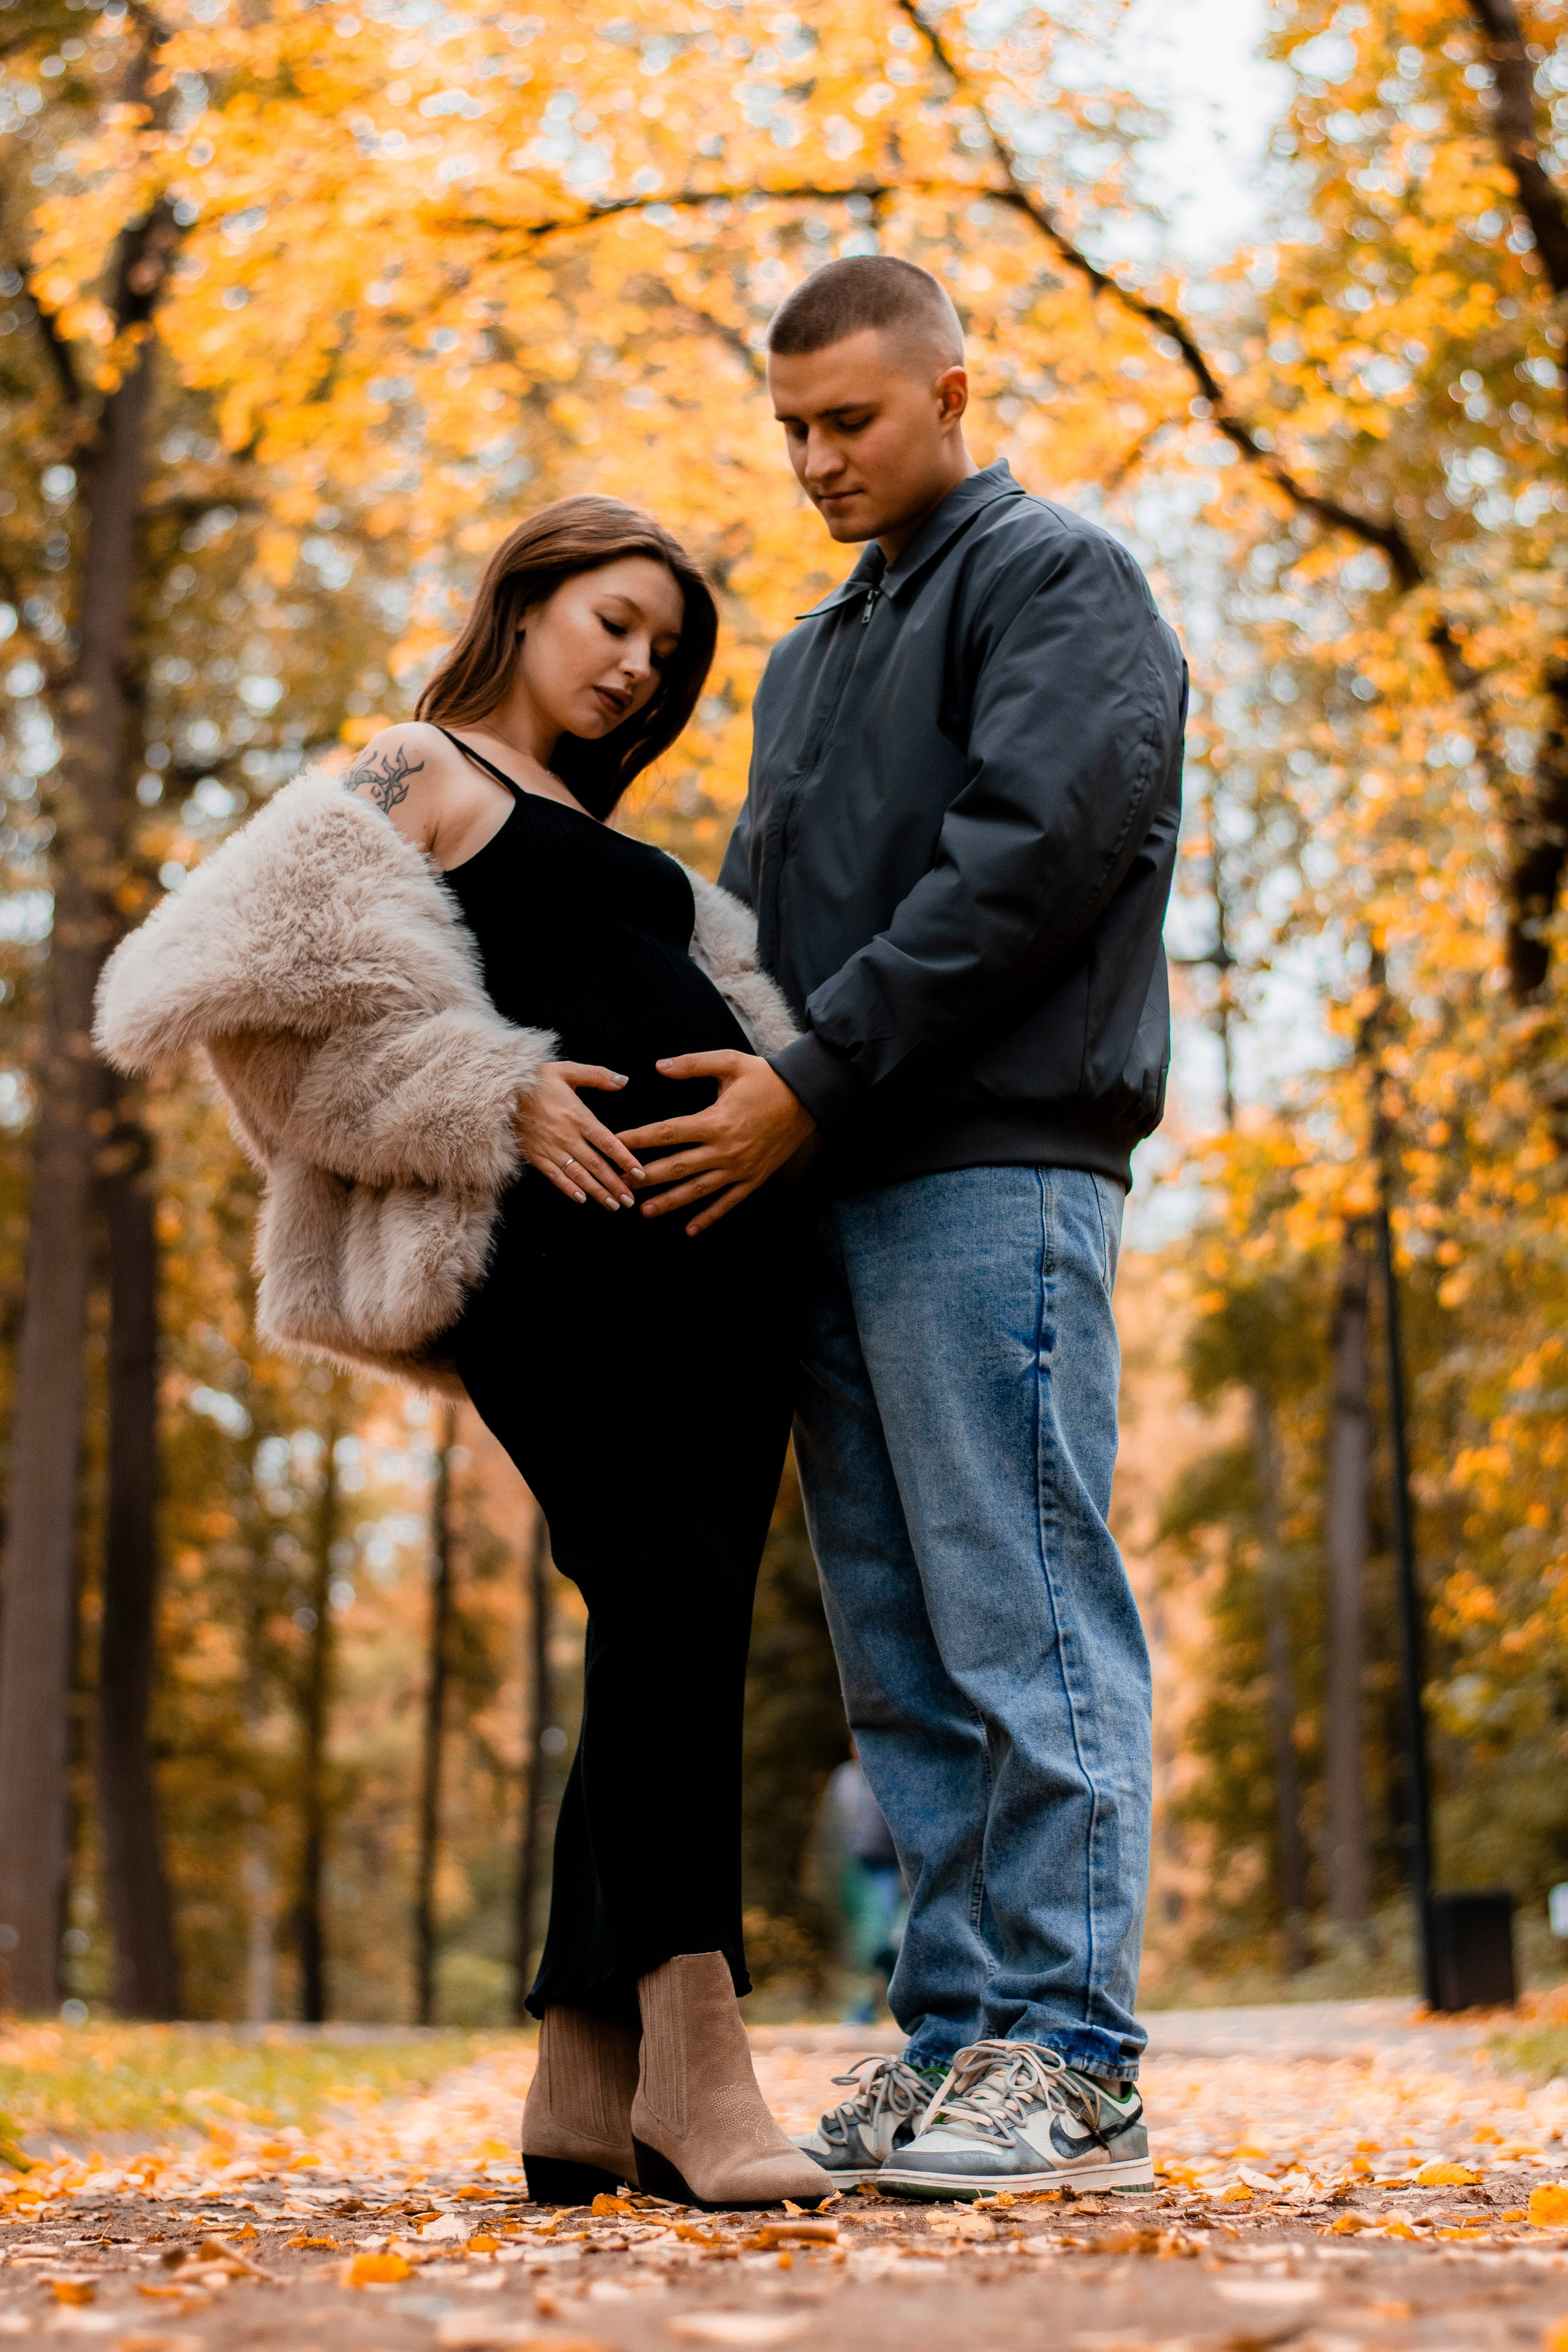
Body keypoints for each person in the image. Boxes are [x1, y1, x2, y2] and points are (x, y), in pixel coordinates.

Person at [94, 496, 829, 2215]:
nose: (640, 669)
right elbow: (238, 1015)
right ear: (529, 596)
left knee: (687, 1600)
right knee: (664, 1578)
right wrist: (487, 1092)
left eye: (666, 654)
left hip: (718, 1251)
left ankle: (586, 2089)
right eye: (617, 622)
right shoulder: (407, 767)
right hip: (546, 1242)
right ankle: (699, 2065)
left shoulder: (613, 830)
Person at [612, 258, 1187, 2199]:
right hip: (825, 1179)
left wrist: (818, 1073)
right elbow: (756, 928)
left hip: (987, 1164)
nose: (814, 458)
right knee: (904, 1652)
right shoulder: (812, 654)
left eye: (848, 419)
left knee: (1019, 1603)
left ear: (953, 389)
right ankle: (963, 2048)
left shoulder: (1059, 580)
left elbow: (1034, 853)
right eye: (788, 427)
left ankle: (1075, 2063)